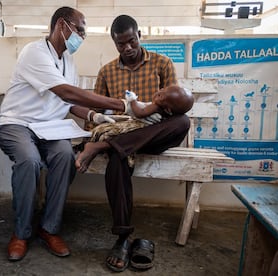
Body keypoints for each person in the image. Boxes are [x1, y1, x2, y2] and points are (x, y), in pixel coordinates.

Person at [0, 6, 128, 262]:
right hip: (16, 123)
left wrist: (92, 115)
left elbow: (67, 102)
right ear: (61, 25)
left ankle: (49, 228)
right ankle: (21, 233)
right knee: (29, 160)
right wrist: (121, 105)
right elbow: (66, 92)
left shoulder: (68, 60)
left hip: (49, 128)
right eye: (80, 29)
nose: (82, 36)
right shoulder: (34, 52)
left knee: (65, 155)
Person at [75, 15, 191, 272]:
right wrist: (95, 133)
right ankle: (122, 238)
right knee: (118, 156)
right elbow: (95, 112)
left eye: (131, 41)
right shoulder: (106, 71)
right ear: (114, 42)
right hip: (120, 136)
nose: (127, 47)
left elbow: (175, 105)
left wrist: (148, 111)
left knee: (183, 123)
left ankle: (105, 147)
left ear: (139, 35)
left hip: (152, 136)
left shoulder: (162, 63)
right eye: (120, 44)